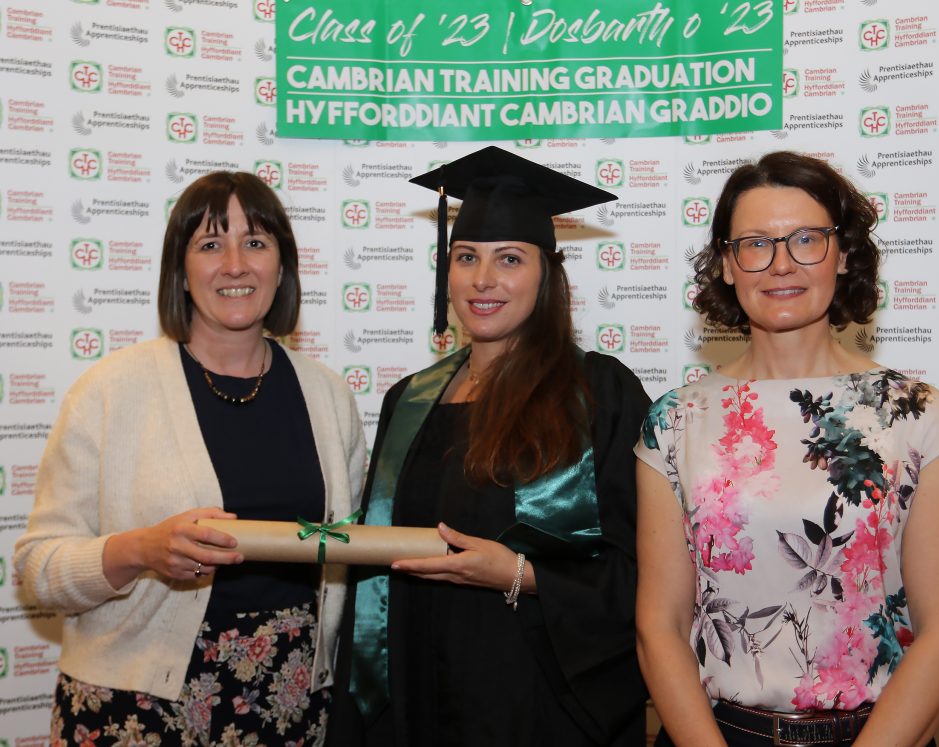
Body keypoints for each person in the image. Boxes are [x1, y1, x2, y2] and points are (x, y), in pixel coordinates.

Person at [634, 151, 939, 747]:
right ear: (727, 265)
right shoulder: (674, 422)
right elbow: (658, 628)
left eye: (806, 239)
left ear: (843, 254)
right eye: (755, 244)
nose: (782, 263)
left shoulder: (918, 414)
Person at [15, 171, 366, 745]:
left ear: (282, 267)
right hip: (135, 704)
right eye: (210, 245)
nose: (235, 265)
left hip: (289, 699)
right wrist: (141, 550)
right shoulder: (108, 392)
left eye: (255, 242)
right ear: (180, 271)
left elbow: (348, 553)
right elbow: (39, 570)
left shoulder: (329, 397)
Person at [329, 146, 651, 746]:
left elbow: (644, 570)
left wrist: (522, 574)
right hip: (417, 692)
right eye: (466, 257)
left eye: (509, 258)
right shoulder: (409, 400)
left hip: (537, 702)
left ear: (547, 274)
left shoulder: (599, 393)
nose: (483, 279)